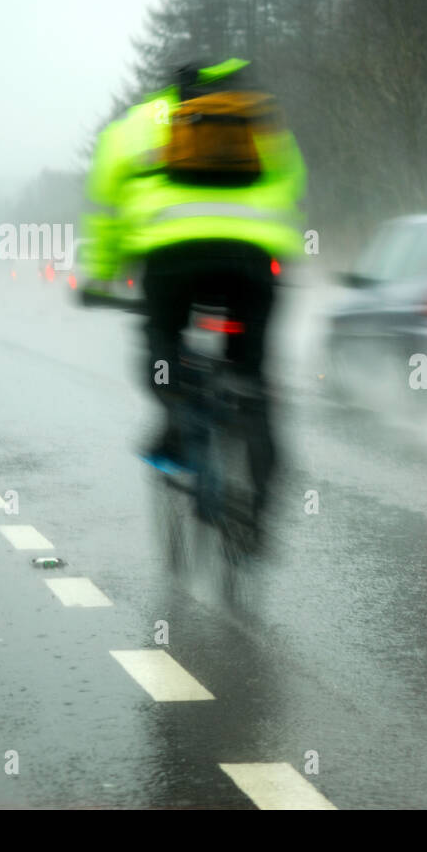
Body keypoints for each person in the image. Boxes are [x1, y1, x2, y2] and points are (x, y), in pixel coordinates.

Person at [81, 57, 306, 532]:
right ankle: (258, 499)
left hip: (172, 261)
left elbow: (108, 208)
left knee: (162, 348)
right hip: (254, 260)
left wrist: (101, 276)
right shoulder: (254, 114)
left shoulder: (136, 125)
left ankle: (179, 418)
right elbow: (292, 182)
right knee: (253, 374)